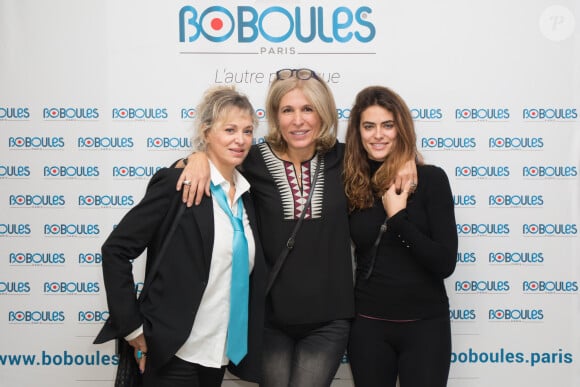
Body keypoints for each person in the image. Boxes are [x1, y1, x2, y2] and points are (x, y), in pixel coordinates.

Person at [176, 69, 418, 387]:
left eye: (308, 109)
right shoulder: (253, 159)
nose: (298, 120)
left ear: (323, 113)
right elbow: (206, 163)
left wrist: (408, 160)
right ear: (276, 116)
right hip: (268, 318)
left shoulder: (345, 158)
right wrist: (197, 157)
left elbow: (385, 152)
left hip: (329, 318)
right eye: (287, 110)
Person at [94, 85, 266, 387]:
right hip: (172, 353)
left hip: (217, 356)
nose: (240, 140)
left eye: (247, 131)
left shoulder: (246, 195)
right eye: (229, 130)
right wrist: (133, 329)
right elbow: (116, 250)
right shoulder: (179, 184)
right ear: (206, 131)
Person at [343, 85, 458, 387]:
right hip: (368, 327)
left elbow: (445, 263)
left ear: (401, 129)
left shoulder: (431, 179)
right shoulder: (350, 182)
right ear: (358, 132)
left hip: (426, 327)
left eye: (387, 125)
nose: (378, 135)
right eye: (369, 126)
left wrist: (398, 219)